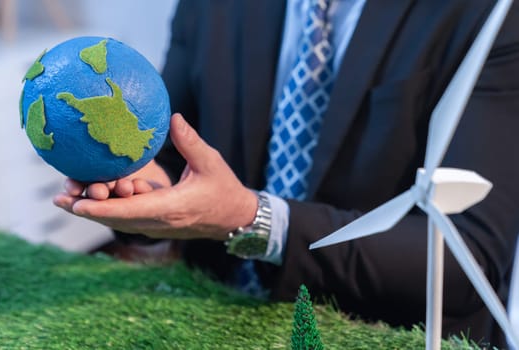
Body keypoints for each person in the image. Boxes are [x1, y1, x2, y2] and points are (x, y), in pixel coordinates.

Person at [54, 0, 519, 347]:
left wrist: (252, 218)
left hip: (386, 329)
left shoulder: (491, 15)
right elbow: (172, 152)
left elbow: (467, 257)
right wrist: (140, 186)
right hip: (212, 316)